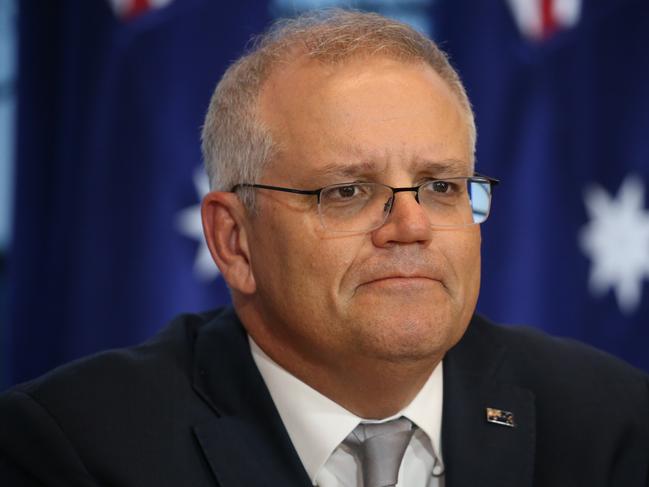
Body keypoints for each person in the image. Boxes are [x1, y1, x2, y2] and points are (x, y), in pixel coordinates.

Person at [1, 9, 648, 487]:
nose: (411, 225)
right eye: (347, 192)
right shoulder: (73, 449)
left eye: (441, 186)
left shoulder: (612, 424)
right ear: (234, 240)